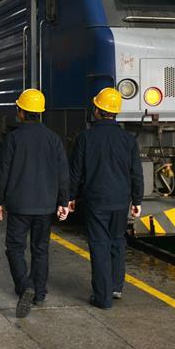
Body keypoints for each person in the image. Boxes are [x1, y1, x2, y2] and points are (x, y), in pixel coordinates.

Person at [0, 89, 70, 318]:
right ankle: (39, 292)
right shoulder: (54, 139)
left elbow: (3, 171)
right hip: (45, 205)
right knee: (41, 249)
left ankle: (24, 285)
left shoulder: (13, 138)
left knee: (15, 248)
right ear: (40, 113)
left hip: (19, 206)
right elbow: (62, 173)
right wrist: (63, 201)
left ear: (21, 113)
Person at [67, 87, 144, 308]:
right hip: (121, 201)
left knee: (99, 245)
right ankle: (116, 287)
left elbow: (76, 172)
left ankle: (102, 297)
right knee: (118, 242)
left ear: (97, 110)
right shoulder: (128, 140)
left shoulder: (85, 137)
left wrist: (71, 196)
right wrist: (137, 200)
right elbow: (135, 173)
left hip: (96, 200)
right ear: (116, 112)